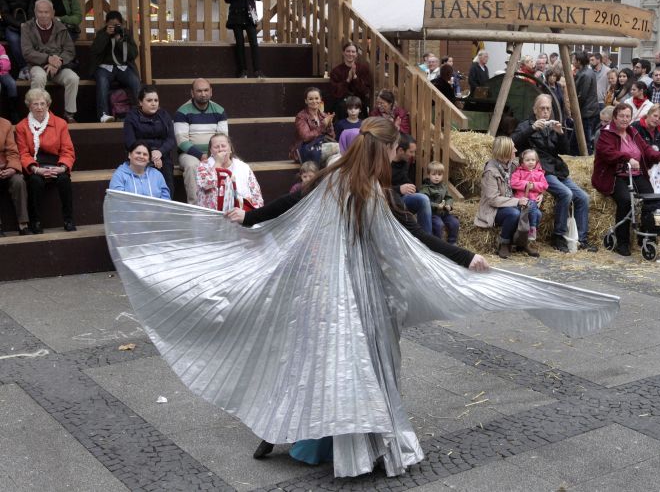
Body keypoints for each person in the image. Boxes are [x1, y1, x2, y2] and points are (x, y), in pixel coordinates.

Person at [104, 114, 621, 478]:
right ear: (384, 150)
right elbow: (409, 232)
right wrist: (464, 258)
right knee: (362, 362)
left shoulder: (334, 178)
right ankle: (350, 441)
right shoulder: (368, 190)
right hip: (356, 296)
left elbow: (287, 203)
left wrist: (251, 216)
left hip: (322, 294)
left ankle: (291, 433)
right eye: (396, 151)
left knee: (318, 361)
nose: (398, 158)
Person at [511, 95, 596, 253]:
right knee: (566, 193)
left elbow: (565, 151)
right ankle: (558, 236)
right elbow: (512, 142)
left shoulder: (552, 126)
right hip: (540, 171)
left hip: (557, 169)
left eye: (548, 109)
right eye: (542, 108)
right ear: (535, 110)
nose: (545, 111)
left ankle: (582, 240)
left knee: (583, 197)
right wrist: (532, 128)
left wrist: (561, 134)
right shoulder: (526, 125)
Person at [592, 103, 660, 256]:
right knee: (626, 200)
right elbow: (608, 153)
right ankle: (622, 242)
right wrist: (627, 158)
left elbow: (646, 149)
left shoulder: (632, 132)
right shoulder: (606, 134)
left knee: (652, 198)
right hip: (614, 175)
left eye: (628, 116)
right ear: (615, 117)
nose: (625, 119)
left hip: (634, 173)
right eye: (621, 116)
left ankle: (646, 236)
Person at [15, 88, 75, 233]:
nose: (39, 107)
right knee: (35, 182)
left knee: (64, 180)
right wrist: (36, 169)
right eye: (35, 104)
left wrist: (62, 167)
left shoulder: (61, 123)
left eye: (42, 104)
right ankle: (35, 222)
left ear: (48, 105)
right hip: (35, 165)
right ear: (29, 106)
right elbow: (23, 153)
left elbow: (67, 150)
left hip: (56, 164)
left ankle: (68, 220)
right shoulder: (21, 126)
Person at [21, 0, 79, 123]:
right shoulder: (27, 27)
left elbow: (70, 50)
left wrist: (58, 62)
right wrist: (48, 59)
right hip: (37, 65)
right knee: (39, 77)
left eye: (46, 12)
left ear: (52, 13)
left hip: (58, 67)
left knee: (73, 78)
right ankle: (37, 115)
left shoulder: (61, 28)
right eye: (40, 12)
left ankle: (69, 114)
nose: (43, 15)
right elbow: (27, 52)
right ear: (35, 12)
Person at [475, 136, 533, 258]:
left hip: (512, 201)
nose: (516, 150)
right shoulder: (490, 172)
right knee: (514, 214)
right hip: (494, 209)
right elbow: (493, 200)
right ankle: (504, 243)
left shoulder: (513, 165)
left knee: (532, 209)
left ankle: (523, 243)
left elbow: (531, 176)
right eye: (513, 148)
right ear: (505, 151)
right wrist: (517, 201)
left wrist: (540, 194)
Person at [174, 78, 228, 205]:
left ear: (211, 92)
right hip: (190, 154)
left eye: (206, 90)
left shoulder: (219, 110)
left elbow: (223, 137)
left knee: (231, 162)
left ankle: (222, 204)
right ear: (192, 93)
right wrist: (201, 155)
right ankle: (195, 207)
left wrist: (213, 155)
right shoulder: (182, 112)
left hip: (214, 152)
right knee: (192, 166)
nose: (203, 94)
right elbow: (182, 141)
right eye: (199, 91)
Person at [123, 85, 176, 198]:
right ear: (140, 102)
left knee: (167, 181)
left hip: (162, 156)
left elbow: (171, 139)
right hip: (140, 156)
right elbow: (130, 142)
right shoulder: (131, 117)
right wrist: (150, 155)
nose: (153, 103)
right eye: (149, 100)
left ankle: (167, 205)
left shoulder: (164, 115)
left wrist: (160, 152)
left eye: (156, 100)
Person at [91, 10, 140, 123]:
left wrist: (120, 41)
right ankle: (103, 115)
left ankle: (140, 111)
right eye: (111, 25)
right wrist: (106, 35)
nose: (114, 28)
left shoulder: (125, 34)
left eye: (117, 25)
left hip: (123, 67)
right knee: (102, 81)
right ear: (106, 24)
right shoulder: (101, 33)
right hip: (105, 68)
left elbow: (133, 54)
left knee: (135, 81)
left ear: (121, 24)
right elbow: (95, 51)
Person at [196, 133, 263, 211]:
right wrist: (218, 163)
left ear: (230, 148)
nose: (220, 149)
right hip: (212, 215)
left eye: (223, 146)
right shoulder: (203, 166)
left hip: (240, 214)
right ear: (211, 151)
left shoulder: (244, 167)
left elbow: (257, 197)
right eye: (216, 147)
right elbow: (207, 184)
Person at [224, 0, 263, 78]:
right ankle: (243, 71)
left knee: (254, 43)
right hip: (236, 16)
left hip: (249, 15)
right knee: (239, 44)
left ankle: (257, 71)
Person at [509, 148, 548, 254]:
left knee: (536, 212)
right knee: (531, 208)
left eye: (533, 160)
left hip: (533, 200)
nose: (531, 162)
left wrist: (533, 186)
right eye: (527, 160)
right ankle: (532, 229)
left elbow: (544, 185)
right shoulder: (519, 172)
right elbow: (513, 183)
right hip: (521, 200)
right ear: (522, 161)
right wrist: (526, 184)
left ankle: (526, 238)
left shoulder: (540, 173)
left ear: (537, 161)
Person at [391, 133, 431, 234]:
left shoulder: (405, 162)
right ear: (401, 150)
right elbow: (377, 188)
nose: (413, 155)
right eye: (411, 152)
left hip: (402, 198)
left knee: (424, 198)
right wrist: (399, 189)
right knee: (422, 199)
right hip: (389, 201)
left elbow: (405, 180)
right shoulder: (385, 163)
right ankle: (426, 239)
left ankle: (426, 236)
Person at [0, 0, 35, 80]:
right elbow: (5, 14)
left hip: (27, 25)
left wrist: (28, 24)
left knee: (32, 40)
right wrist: (19, 25)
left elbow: (31, 11)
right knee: (14, 40)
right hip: (10, 26)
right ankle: (24, 68)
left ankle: (35, 67)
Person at [0, 115, 31, 234]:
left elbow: (12, 152)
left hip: (5, 166)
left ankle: (23, 223)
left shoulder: (5, 123)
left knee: (18, 181)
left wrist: (12, 168)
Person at [292, 86, 334, 166]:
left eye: (316, 98)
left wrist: (329, 125)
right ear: (306, 101)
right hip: (305, 149)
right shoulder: (301, 116)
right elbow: (306, 137)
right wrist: (323, 125)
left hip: (321, 146)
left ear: (320, 99)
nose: (314, 101)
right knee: (338, 149)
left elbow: (332, 137)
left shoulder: (324, 115)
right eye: (311, 99)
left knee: (335, 158)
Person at [419, 161, 459, 245]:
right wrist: (437, 206)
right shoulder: (425, 188)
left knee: (454, 222)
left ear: (442, 175)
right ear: (428, 175)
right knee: (438, 225)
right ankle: (438, 244)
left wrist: (449, 205)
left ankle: (452, 242)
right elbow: (424, 202)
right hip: (433, 213)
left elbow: (449, 197)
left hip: (444, 213)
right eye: (434, 174)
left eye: (439, 174)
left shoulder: (443, 186)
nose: (436, 177)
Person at [329, 41, 371, 120]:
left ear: (356, 54)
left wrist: (355, 78)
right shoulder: (336, 71)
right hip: (342, 104)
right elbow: (335, 92)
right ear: (343, 53)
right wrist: (347, 80)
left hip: (359, 102)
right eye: (348, 51)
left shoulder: (363, 69)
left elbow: (365, 91)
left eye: (353, 52)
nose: (350, 54)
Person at [573, 51, 599, 152]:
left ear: (579, 61)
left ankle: (586, 157)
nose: (572, 61)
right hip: (589, 110)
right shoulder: (586, 72)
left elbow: (582, 95)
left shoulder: (585, 75)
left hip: (587, 112)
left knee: (586, 140)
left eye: (574, 59)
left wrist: (575, 109)